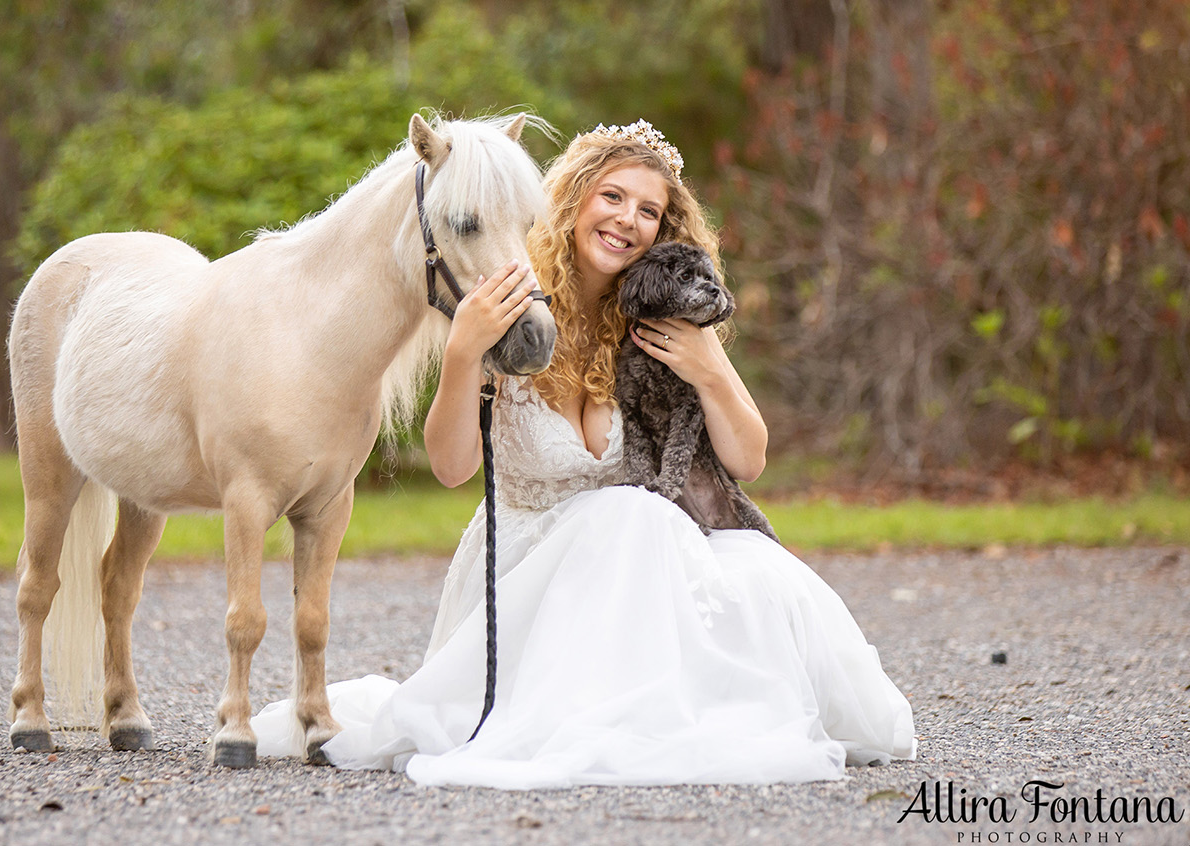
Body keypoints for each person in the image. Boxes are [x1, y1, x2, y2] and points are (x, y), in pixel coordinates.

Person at [252, 121, 916, 788]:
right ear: (574, 199)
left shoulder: (660, 319)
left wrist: (712, 370)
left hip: (633, 574)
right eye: (613, 197)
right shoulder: (511, 298)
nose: (628, 220)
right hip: (524, 568)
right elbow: (453, 468)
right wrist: (461, 355)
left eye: (649, 210)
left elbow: (748, 462)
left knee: (755, 579)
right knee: (627, 514)